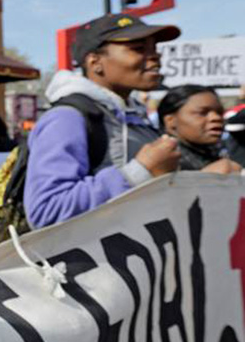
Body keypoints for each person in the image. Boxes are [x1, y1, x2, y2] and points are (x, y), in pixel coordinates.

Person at [24, 13, 183, 229]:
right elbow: (47, 210)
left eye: (154, 49)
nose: (155, 57)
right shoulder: (67, 117)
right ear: (95, 62)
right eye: (138, 49)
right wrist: (140, 171)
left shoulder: (135, 116)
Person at [158, 85, 242, 172]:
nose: (216, 117)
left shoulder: (213, 154)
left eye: (219, 112)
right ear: (170, 120)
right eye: (202, 113)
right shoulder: (163, 162)